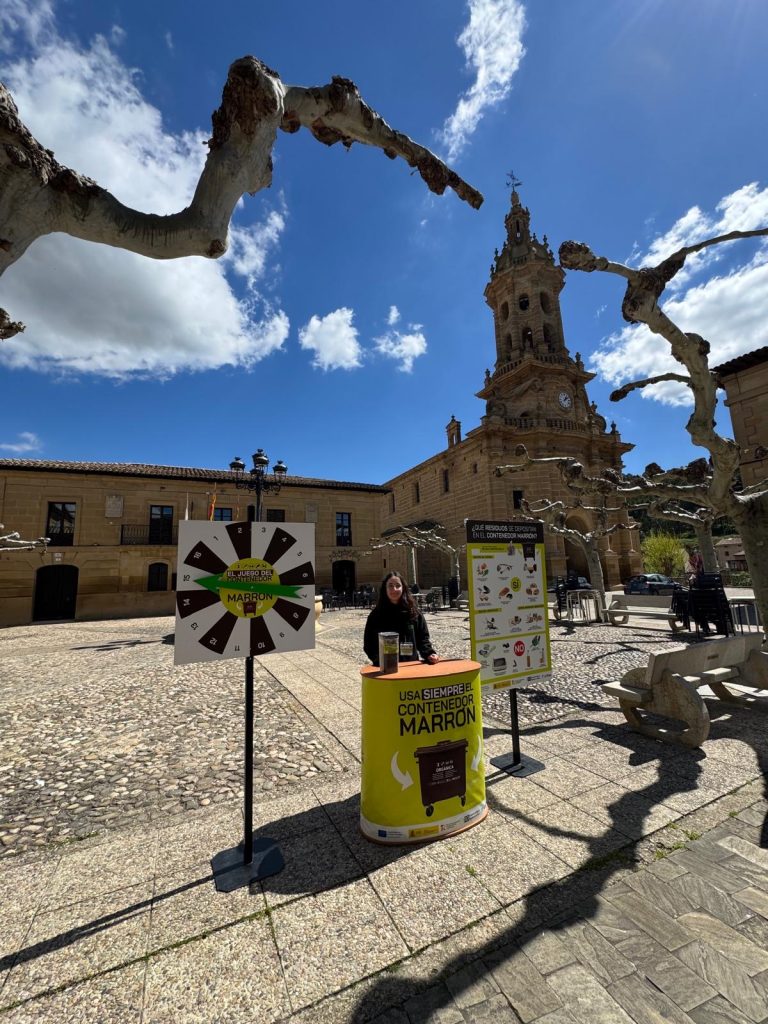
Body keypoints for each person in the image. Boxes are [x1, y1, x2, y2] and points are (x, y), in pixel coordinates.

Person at [363, 571, 440, 666]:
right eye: (390, 586)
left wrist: (429, 653)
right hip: (386, 667)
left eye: (398, 585)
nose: (394, 589)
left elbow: (423, 639)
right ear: (385, 589)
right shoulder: (376, 615)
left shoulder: (414, 613)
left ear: (403, 588)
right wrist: (380, 660)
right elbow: (369, 644)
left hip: (410, 665)